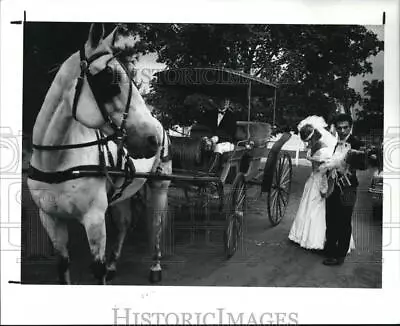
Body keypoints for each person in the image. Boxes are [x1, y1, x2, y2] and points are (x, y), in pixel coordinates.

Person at [288, 116, 356, 252]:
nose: (307, 145)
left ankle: (323, 242)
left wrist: (325, 183)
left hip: (323, 180)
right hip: (313, 179)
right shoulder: (320, 145)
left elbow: (329, 168)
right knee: (309, 208)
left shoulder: (325, 149)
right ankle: (305, 236)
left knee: (322, 212)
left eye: (308, 141)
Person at [320, 113, 368, 266]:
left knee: (344, 221)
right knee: (331, 218)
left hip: (348, 187)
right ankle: (330, 250)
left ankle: (339, 255)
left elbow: (364, 165)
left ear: (350, 127)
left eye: (345, 127)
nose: (342, 131)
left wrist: (354, 158)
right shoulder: (337, 142)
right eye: (339, 128)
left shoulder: (357, 143)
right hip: (334, 185)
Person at [199, 98, 238, 173]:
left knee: (218, 147)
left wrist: (217, 138)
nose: (226, 102)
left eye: (227, 100)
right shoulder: (210, 113)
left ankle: (211, 173)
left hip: (227, 142)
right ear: (218, 102)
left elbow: (231, 134)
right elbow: (205, 127)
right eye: (224, 100)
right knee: (201, 144)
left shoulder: (232, 116)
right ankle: (197, 169)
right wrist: (206, 137)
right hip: (210, 139)